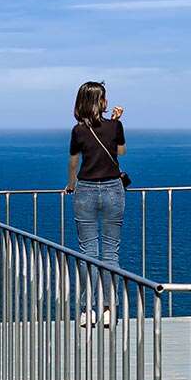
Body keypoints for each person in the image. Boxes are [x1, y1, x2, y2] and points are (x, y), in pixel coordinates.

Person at [64, 80, 126, 271]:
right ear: (100, 102)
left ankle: (88, 301)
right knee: (111, 252)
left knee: (88, 251)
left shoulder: (78, 130)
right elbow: (121, 152)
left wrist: (71, 184)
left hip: (86, 190)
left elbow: (74, 161)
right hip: (113, 189)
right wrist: (115, 122)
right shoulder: (115, 126)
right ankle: (109, 301)